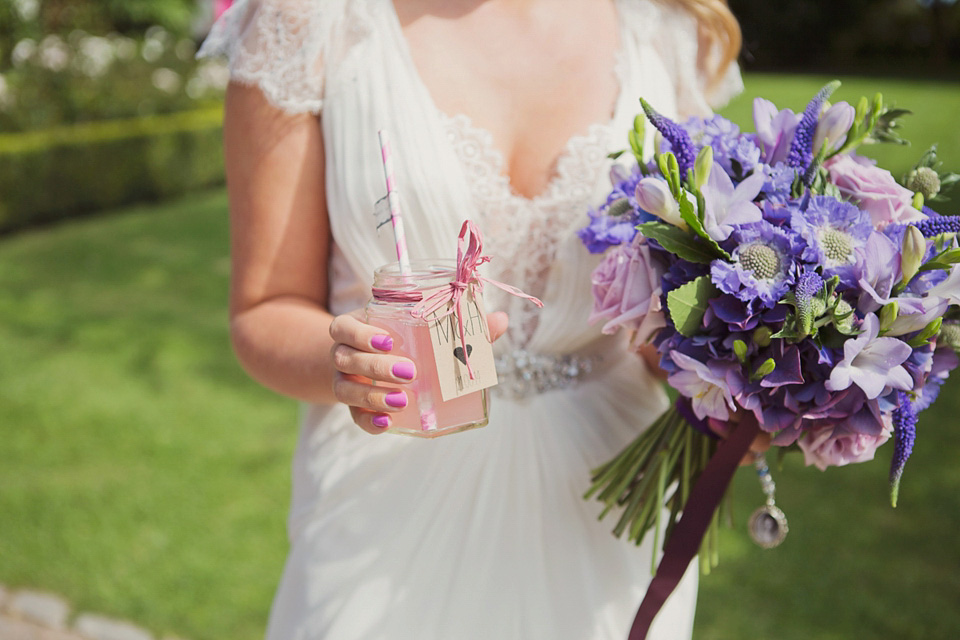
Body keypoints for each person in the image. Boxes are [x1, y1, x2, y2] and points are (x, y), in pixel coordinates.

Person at [199, 0, 742, 637]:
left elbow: (670, 307)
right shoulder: (308, 20)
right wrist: (356, 362)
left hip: (612, 500)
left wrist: (746, 373)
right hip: (387, 504)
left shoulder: (665, 29)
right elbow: (264, 306)